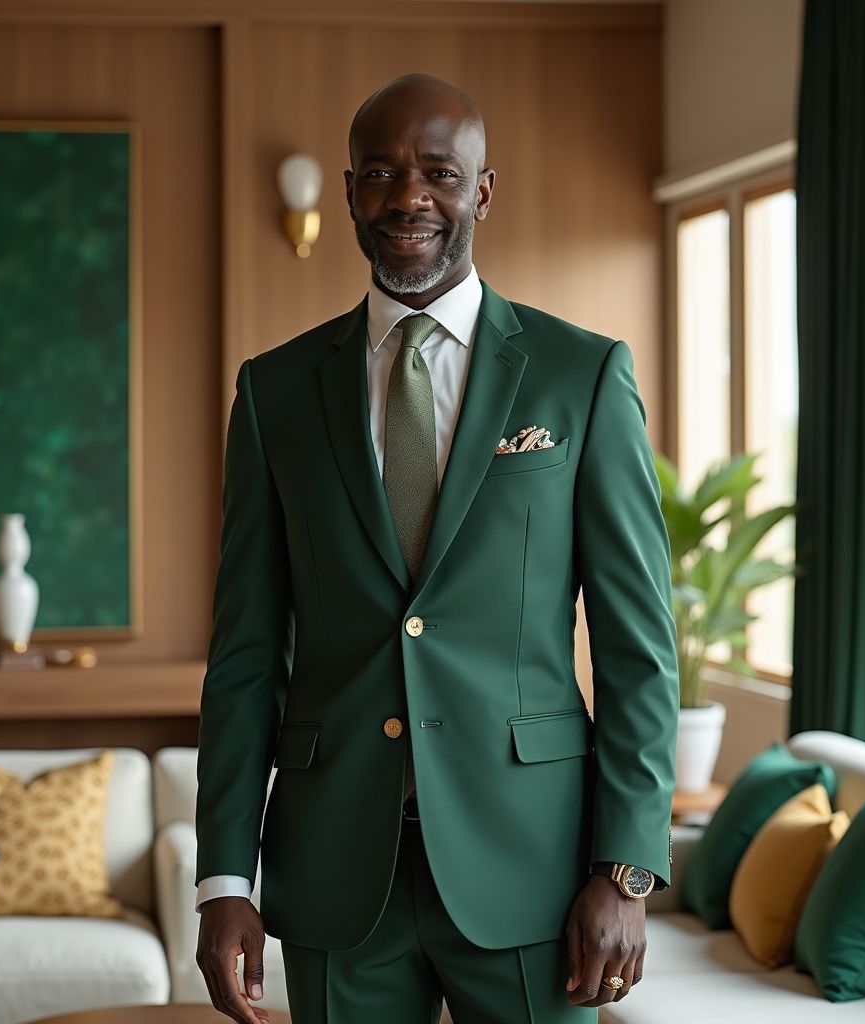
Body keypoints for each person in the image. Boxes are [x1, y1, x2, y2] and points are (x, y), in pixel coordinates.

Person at [194, 72, 679, 1024]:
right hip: (338, 875)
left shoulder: (579, 376)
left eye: (437, 173)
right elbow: (246, 656)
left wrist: (626, 872)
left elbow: (638, 644)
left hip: (534, 874)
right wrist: (223, 878)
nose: (408, 196)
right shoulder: (275, 394)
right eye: (380, 173)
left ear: (482, 191)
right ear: (348, 195)